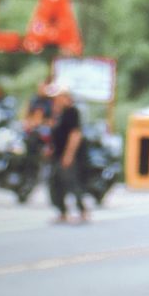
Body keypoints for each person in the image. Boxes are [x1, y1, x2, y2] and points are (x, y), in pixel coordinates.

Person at [47, 85, 88, 223]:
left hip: (68, 155)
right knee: (55, 184)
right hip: (57, 154)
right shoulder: (59, 114)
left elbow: (75, 134)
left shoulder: (72, 112)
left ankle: (82, 210)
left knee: (72, 183)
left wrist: (69, 155)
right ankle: (62, 212)